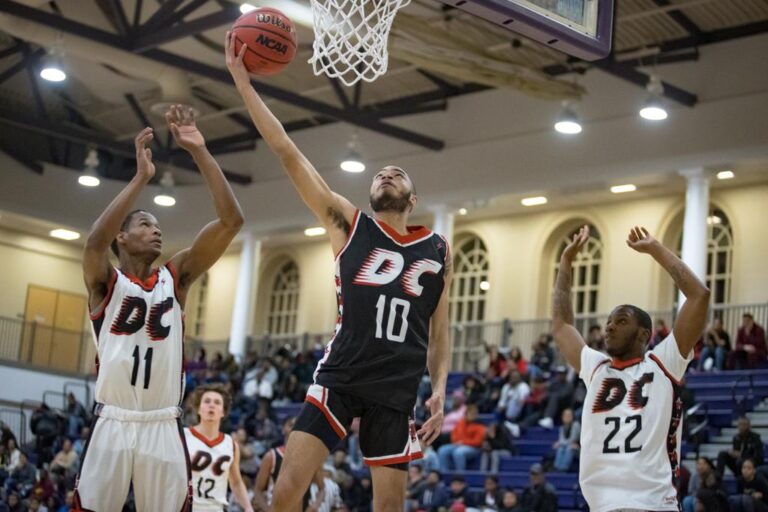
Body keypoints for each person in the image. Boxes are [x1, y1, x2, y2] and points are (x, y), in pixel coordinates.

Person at [226, 32, 452, 512]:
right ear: (370, 195)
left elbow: (440, 330)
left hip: (396, 387)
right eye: (379, 174)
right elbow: (289, 152)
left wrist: (441, 390)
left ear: (412, 199)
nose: (386, 175)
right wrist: (245, 85)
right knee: (288, 487)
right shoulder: (349, 225)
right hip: (342, 373)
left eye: (397, 174)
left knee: (390, 507)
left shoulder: (438, 249)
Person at [74, 106, 244, 511]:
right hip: (113, 420)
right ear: (123, 238)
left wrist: (200, 151)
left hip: (164, 423)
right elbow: (94, 242)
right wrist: (140, 179)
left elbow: (232, 220)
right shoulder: (104, 283)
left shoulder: (176, 276)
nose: (157, 230)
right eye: (145, 225)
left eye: (158, 226)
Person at [552, 225, 710, 511]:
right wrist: (565, 263)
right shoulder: (597, 368)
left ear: (643, 334)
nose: (610, 326)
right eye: (609, 321)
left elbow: (699, 296)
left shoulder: (664, 362)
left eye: (621, 321)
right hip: (602, 505)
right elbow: (562, 326)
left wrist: (656, 250)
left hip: (652, 504)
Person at [184, 383, 253, 512]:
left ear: (223, 412)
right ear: (198, 409)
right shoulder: (183, 436)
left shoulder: (230, 444)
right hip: (185, 507)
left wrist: (248, 507)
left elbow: (236, 482)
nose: (211, 405)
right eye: (207, 401)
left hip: (215, 508)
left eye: (217, 402)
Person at [252, 417, 324, 511]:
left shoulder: (310, 458)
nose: (295, 427)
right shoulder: (271, 456)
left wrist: (315, 505)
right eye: (290, 425)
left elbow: (322, 488)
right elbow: (258, 490)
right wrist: (267, 509)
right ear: (283, 429)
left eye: (299, 425)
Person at [437, 404, 486, 471]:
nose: (473, 415)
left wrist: (463, 442)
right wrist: (456, 441)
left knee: (458, 453)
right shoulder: (461, 422)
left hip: (474, 448)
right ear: (466, 413)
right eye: (471, 413)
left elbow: (478, 442)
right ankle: (445, 472)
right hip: (458, 445)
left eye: (475, 414)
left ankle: (460, 474)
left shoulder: (480, 425)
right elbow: (454, 434)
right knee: (442, 450)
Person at [552, 407, 580, 472]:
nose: (567, 417)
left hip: (577, 448)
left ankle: (564, 469)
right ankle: (557, 468)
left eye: (569, 415)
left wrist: (560, 443)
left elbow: (573, 439)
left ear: (572, 416)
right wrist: (560, 443)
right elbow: (561, 439)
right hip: (568, 446)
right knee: (560, 448)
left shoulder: (576, 425)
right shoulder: (562, 427)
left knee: (569, 448)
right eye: (565, 415)